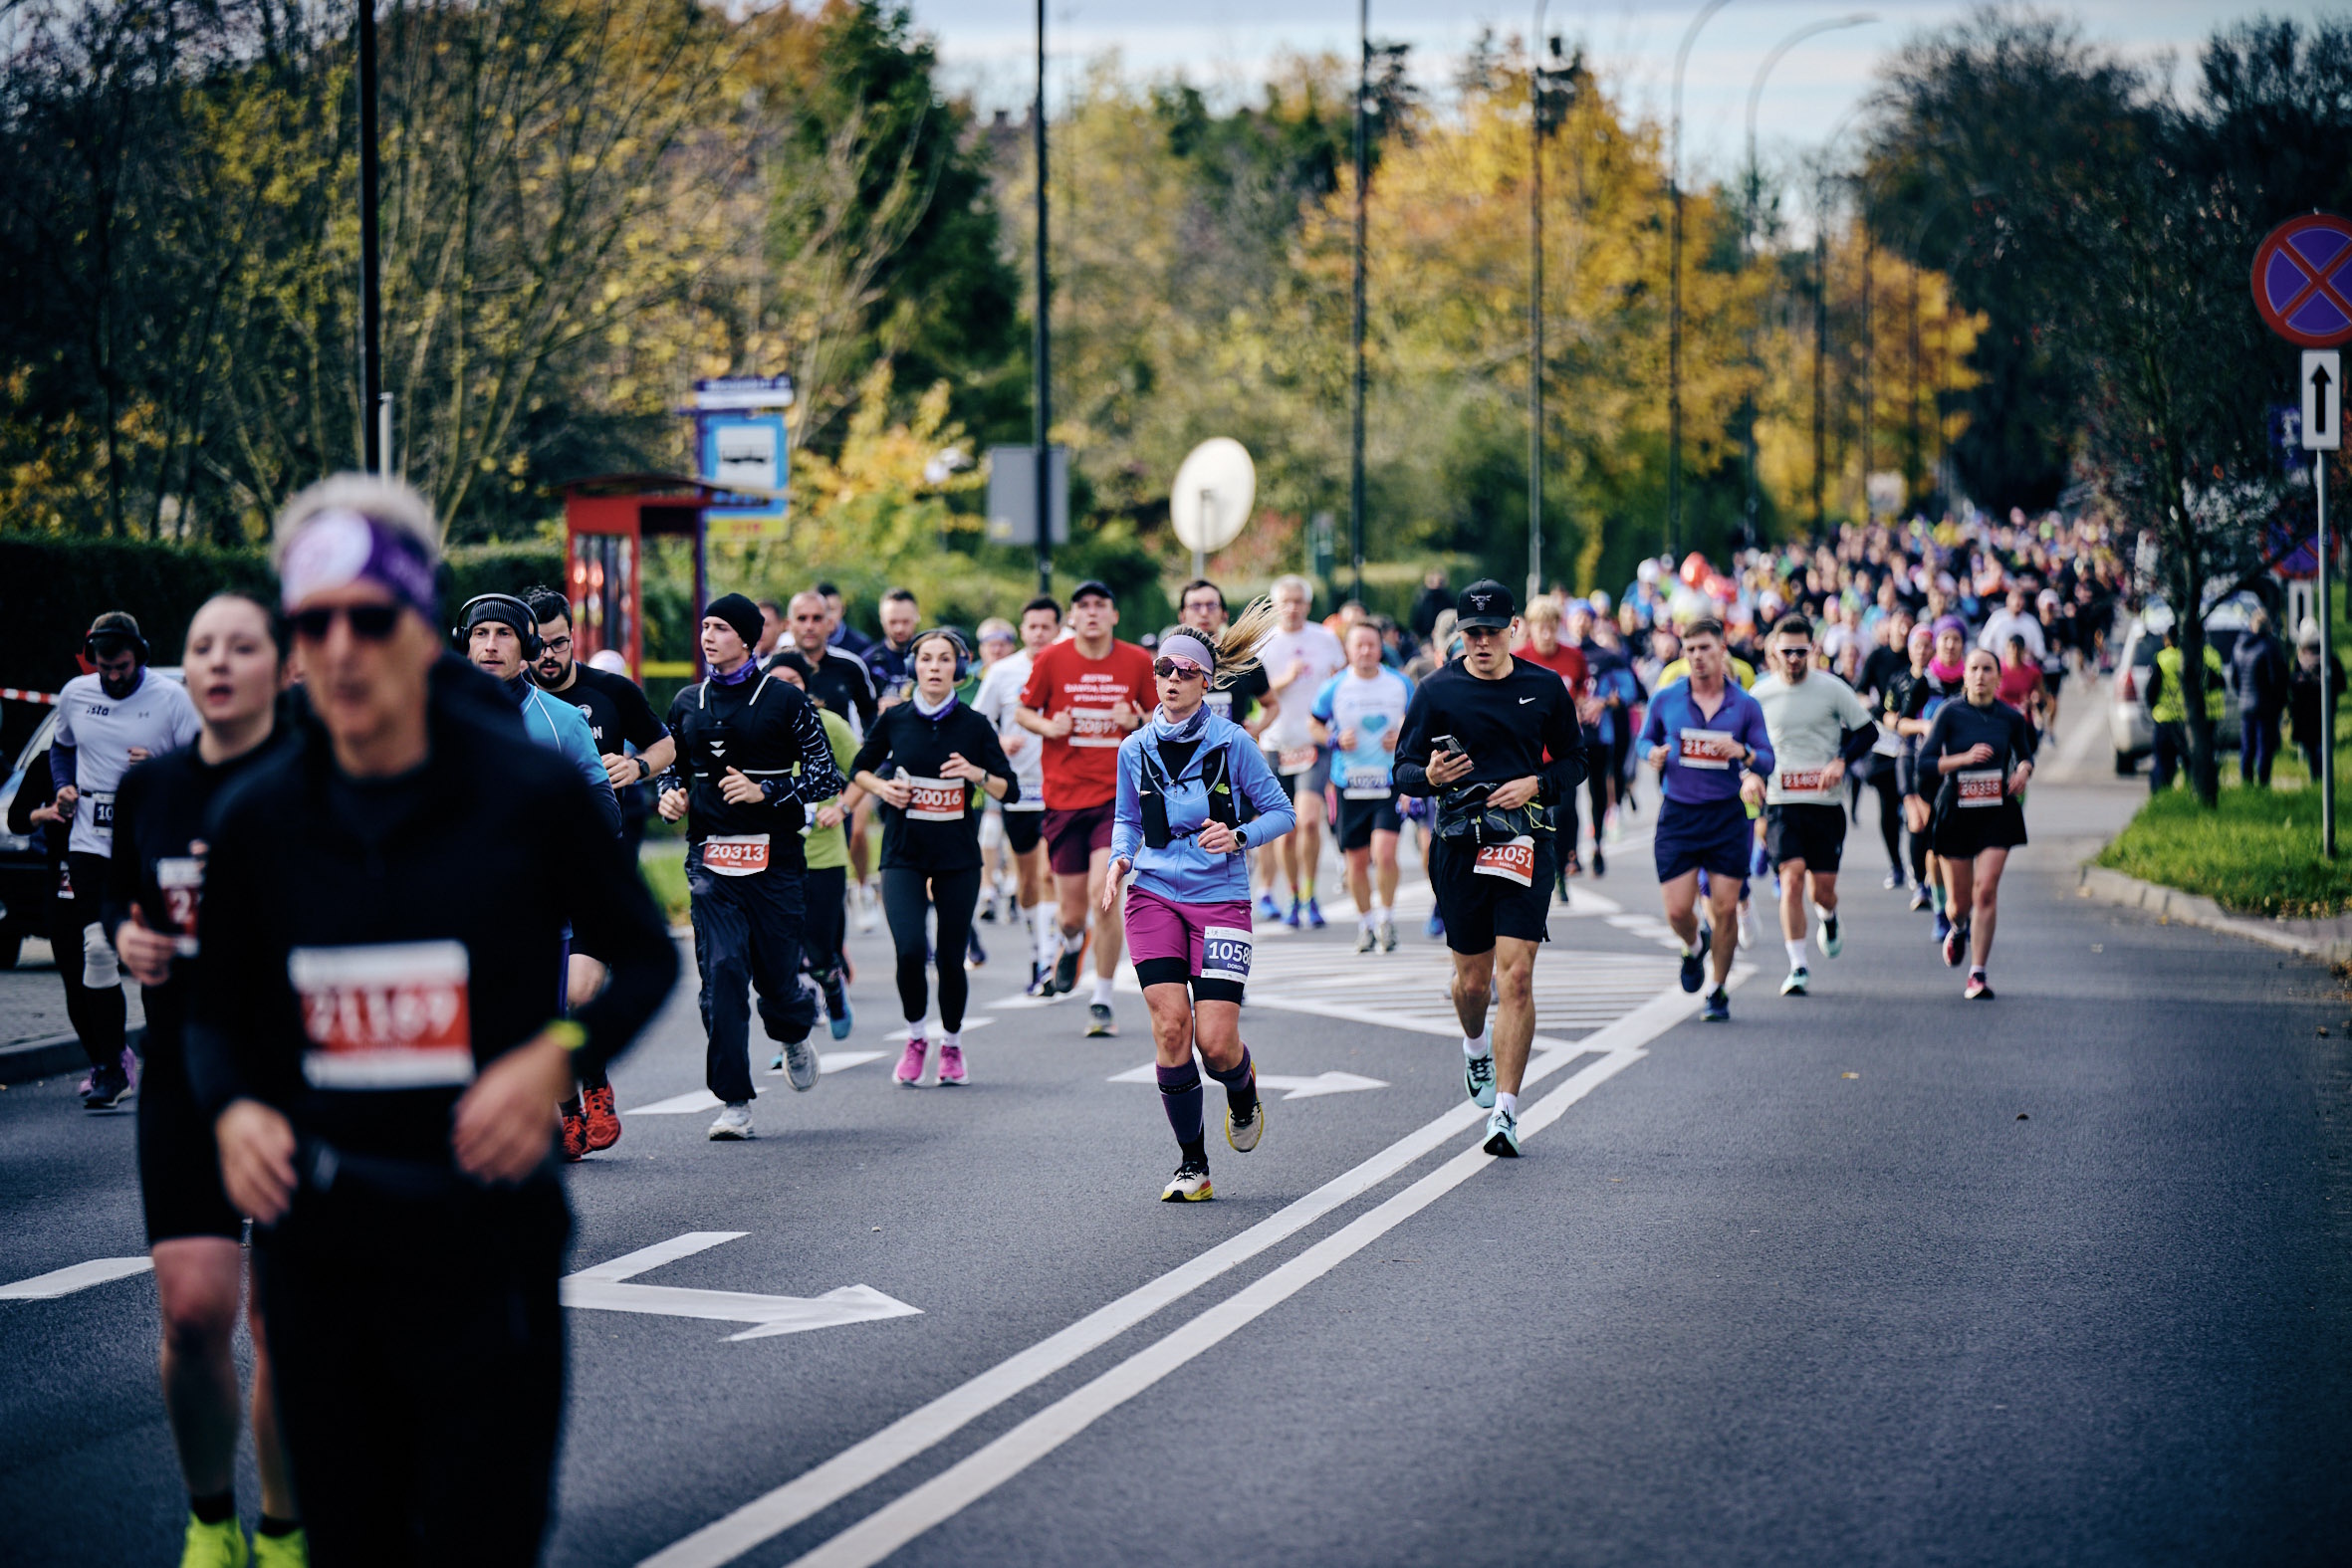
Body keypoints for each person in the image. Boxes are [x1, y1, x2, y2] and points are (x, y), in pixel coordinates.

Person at [189, 475, 676, 1564]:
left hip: (483, 1240)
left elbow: (642, 957)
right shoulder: (260, 816)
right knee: (353, 1539)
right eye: (317, 624)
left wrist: (554, 1058)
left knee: (479, 1540)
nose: (345, 648)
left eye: (373, 619)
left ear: (420, 628)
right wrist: (234, 1113)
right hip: (322, 1243)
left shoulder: (525, 793)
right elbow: (213, 1013)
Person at [104, 594, 307, 1567]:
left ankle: (282, 1529)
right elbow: (119, 889)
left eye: (241, 646)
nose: (219, 662)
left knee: (283, 1323)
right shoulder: (155, 790)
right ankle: (210, 1517)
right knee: (192, 1313)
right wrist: (124, 934)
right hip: (183, 1069)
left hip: (297, 1079)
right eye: (201, 648)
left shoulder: (315, 785)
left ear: (280, 665)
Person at [1102, 610, 1294, 1200]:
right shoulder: (1134, 748)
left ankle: (1242, 1088)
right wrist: (1119, 859)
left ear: (1206, 682)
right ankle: (1193, 1165)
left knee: (1214, 1044)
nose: (1172, 679)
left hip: (1220, 899)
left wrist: (1239, 836)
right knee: (1169, 1028)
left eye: (1186, 671)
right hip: (1153, 894)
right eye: (1163, 669)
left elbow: (1282, 812)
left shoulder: (1234, 744)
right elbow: (1127, 820)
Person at [1394, 580, 1583, 1157]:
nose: (1480, 643)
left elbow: (1576, 760)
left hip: (1526, 841)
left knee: (1516, 976)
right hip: (1459, 846)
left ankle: (1506, 1112)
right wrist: (1428, 778)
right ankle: (1475, 1046)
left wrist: (1538, 782)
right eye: (1471, 633)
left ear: (1513, 631)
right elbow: (1400, 769)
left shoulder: (1545, 688)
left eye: (1491, 632)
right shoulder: (1436, 691)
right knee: (1473, 983)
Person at [656, 592, 847, 1138]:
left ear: (748, 638)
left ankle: (792, 1032)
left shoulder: (785, 701)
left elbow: (826, 776)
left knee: (777, 979)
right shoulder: (687, 702)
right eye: (705, 626)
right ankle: (735, 1102)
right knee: (721, 974)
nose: (708, 635)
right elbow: (672, 765)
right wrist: (671, 794)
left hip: (775, 861)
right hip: (711, 860)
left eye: (720, 627)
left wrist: (767, 789)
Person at [51, 609, 202, 1106]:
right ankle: (111, 1065)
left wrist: (158, 766)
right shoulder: (75, 694)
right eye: (104, 666)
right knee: (96, 948)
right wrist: (63, 787)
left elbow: (202, 766)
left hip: (150, 843)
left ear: (140, 656)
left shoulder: (171, 700)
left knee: (155, 956)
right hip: (91, 841)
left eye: (121, 666)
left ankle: (165, 1058)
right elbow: (61, 747)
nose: (113, 676)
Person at [851, 629, 1017, 1086]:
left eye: (946, 659)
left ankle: (952, 1044)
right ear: (914, 667)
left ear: (958, 669)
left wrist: (976, 773)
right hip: (903, 853)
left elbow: (1009, 787)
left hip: (957, 857)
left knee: (949, 958)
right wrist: (884, 788)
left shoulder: (975, 725)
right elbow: (859, 769)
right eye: (927, 659)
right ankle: (914, 1037)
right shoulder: (896, 719)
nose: (936, 667)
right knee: (908, 951)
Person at [1017, 580, 1154, 1034]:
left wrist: (1135, 720)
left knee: (1105, 892)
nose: (1092, 613)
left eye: (1101, 605)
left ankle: (1103, 998)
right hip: (1063, 798)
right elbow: (1023, 711)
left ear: (1114, 615)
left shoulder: (1136, 661)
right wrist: (1048, 725)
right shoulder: (1051, 659)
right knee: (1071, 913)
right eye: (1083, 606)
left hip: (1117, 798)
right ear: (1072, 617)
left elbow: (1164, 715)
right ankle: (1072, 944)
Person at [1640, 618, 1772, 1024]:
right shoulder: (1666, 699)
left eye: (1705, 648)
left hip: (1727, 816)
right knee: (1679, 910)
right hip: (1679, 813)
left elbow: (1767, 758)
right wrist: (1653, 754)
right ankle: (1695, 944)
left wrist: (1745, 756)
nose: (1697, 656)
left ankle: (1717, 989)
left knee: (1725, 907)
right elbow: (1645, 739)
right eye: (1690, 649)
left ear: (1722, 650)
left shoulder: (1745, 705)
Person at [1749, 615, 1876, 998]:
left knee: (1821, 891)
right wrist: (1749, 774)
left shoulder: (1832, 689)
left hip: (1825, 803)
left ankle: (1829, 916)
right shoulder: (1759, 695)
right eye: (1786, 652)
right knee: (1790, 879)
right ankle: (1798, 965)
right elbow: (1743, 744)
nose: (1793, 659)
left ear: (1813, 651)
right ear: (1773, 651)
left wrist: (1841, 761)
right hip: (1781, 801)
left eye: (1800, 651)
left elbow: (1867, 731)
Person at [525, 587, 676, 860]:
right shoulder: (510, 696)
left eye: (558, 643)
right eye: (539, 645)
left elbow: (665, 746)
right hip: (531, 850)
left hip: (599, 848)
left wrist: (636, 767)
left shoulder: (613, 690)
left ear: (573, 637)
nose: (548, 655)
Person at [1922, 648, 2037, 998]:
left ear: (1998, 677)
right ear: (1965, 675)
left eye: (1988, 669)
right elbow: (1925, 763)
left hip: (1996, 809)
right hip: (1956, 809)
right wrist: (1962, 759)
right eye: (1974, 668)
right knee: (1959, 904)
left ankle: (1978, 972)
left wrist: (2022, 771)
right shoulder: (1950, 713)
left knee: (1985, 890)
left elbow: (2026, 754)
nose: (1981, 675)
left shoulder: (2010, 717)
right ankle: (1958, 929)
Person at [458, 592, 621, 838]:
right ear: (466, 644)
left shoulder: (566, 721)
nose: (490, 645)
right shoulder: (437, 716)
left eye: (504, 633)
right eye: (480, 633)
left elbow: (608, 815)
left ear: (527, 647)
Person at [767, 660, 859, 1050]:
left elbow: (864, 771)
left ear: (806, 686)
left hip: (823, 854)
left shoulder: (829, 723)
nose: (787, 688)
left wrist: (842, 807)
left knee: (820, 948)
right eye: (778, 682)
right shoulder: (758, 725)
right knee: (780, 953)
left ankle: (832, 984)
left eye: (794, 681)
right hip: (772, 855)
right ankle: (793, 1039)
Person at [975, 596, 1061, 996]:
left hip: (1064, 786)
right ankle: (1037, 949)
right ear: (1022, 631)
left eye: (1047, 626)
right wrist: (998, 740)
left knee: (1049, 872)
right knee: (1027, 879)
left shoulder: (1071, 665)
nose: (1040, 633)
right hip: (1020, 789)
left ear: (1058, 629)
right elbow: (974, 724)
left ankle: (1051, 957)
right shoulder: (1004, 672)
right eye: (1033, 626)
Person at [1310, 622, 1414, 954]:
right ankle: (1365, 923)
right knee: (1355, 862)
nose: (1366, 651)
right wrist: (1334, 739)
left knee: (1385, 854)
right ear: (1348, 650)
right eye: (1359, 645)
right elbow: (1313, 723)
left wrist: (1403, 738)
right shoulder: (1335, 687)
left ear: (1381, 647)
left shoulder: (1399, 684)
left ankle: (1386, 918)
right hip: (1348, 783)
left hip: (1388, 781)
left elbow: (1421, 723)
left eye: (1372, 645)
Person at [1252, 574, 1346, 927]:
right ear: (1275, 605)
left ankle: (1310, 893)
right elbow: (1254, 693)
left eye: (1298, 601)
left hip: (1313, 744)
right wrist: (1284, 680)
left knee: (1308, 821)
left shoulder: (1325, 640)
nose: (1292, 607)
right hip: (1276, 743)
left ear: (1308, 605)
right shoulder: (1264, 643)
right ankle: (1292, 895)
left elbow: (1341, 681)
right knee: (1285, 829)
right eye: (1285, 601)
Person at [2146, 622, 2225, 794]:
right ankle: (2194, 794)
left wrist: (2156, 708)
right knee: (2194, 763)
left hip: (2166, 719)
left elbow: (2151, 692)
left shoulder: (2163, 659)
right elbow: (2219, 684)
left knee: (2163, 764)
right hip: (2195, 720)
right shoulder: (2208, 656)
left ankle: (2160, 796)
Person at [2234, 607, 2286, 786]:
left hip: (2245, 704)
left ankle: (2246, 783)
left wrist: (2242, 694)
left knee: (2247, 746)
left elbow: (2235, 678)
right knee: (2264, 747)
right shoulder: (2269, 647)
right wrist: (2279, 701)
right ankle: (2263, 783)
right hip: (2265, 705)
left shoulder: (2240, 646)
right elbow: (2276, 679)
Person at [2289, 618, 2343, 781]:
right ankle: (2323, 778)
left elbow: (2292, 686)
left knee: (2312, 747)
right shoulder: (2329, 658)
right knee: (2322, 745)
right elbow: (2341, 684)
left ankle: (2317, 778)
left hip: (2305, 713)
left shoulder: (2299, 661)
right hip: (2323, 710)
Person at [863, 587, 922, 708]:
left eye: (906, 621)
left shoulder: (931, 659)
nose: (899, 628)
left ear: (917, 617)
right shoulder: (867, 663)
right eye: (893, 622)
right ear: (882, 620)